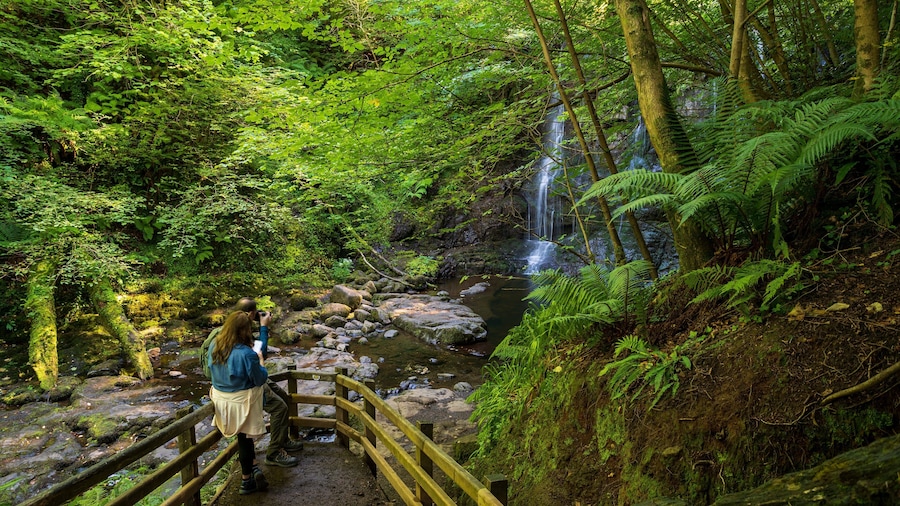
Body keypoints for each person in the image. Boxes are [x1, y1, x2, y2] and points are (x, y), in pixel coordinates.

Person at [201, 297, 302, 468]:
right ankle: (274, 453)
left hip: (239, 380)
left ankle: (282, 439)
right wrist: (263, 327)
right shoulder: (238, 340)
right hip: (244, 385)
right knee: (280, 408)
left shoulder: (225, 331)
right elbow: (258, 355)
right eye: (254, 315)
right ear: (250, 314)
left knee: (283, 396)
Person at [208, 311, 270, 495]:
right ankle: (246, 479)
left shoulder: (215, 345)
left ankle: (252, 467)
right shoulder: (246, 354)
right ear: (245, 331)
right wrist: (260, 362)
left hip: (220, 399)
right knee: (245, 438)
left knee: (244, 439)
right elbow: (260, 379)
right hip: (242, 402)